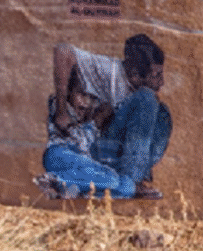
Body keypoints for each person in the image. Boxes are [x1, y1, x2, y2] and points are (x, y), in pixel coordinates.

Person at [50, 34, 172, 199]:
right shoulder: (109, 70)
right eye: (156, 75)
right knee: (147, 97)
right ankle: (131, 181)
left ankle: (132, 178)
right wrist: (61, 111)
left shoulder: (132, 98)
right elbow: (62, 51)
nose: (161, 82)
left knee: (162, 112)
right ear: (135, 74)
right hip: (88, 149)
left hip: (106, 150)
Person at [35, 65, 136, 199]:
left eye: (91, 97)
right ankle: (55, 181)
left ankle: (72, 189)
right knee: (110, 178)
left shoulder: (95, 122)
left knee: (127, 186)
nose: (85, 103)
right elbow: (64, 118)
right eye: (81, 94)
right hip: (60, 156)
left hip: (84, 169)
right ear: (68, 92)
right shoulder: (61, 108)